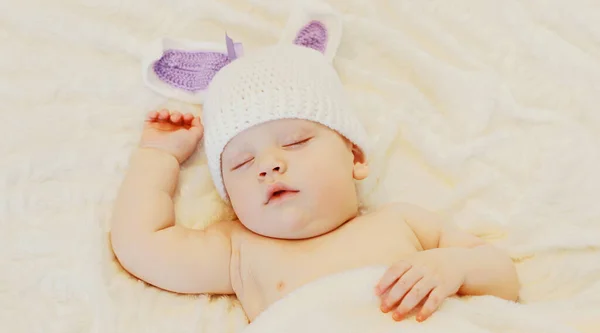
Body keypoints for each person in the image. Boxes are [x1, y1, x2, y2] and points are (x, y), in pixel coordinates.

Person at [110, 13, 520, 324]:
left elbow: (503, 277)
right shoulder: (240, 250)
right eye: (242, 162)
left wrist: (451, 268)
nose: (268, 165)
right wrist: (158, 156)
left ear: (355, 158)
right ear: (229, 198)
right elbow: (141, 245)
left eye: (295, 142)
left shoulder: (403, 223)